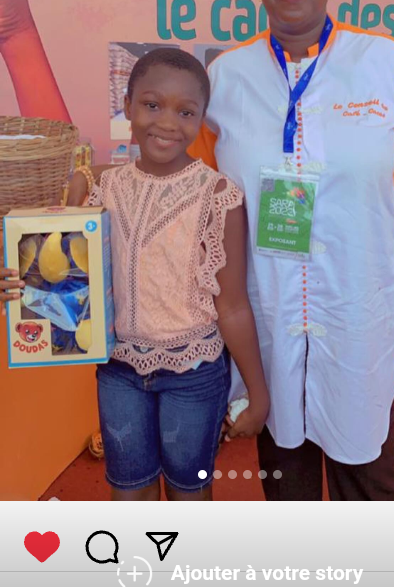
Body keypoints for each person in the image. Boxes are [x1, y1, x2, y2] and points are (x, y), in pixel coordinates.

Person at [190, 0, 394, 502]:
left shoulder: (386, 61)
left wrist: (365, 211)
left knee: (368, 470)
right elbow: (206, 186)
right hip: (268, 301)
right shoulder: (227, 75)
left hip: (358, 300)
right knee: (285, 469)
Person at [0, 47, 269, 501]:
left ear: (202, 119)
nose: (167, 122)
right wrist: (18, 282)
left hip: (194, 372)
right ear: (127, 105)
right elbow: (55, 273)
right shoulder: (99, 187)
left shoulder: (219, 196)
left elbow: (234, 306)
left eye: (185, 112)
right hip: (119, 371)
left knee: (189, 492)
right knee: (128, 493)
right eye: (152, 104)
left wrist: (257, 393)